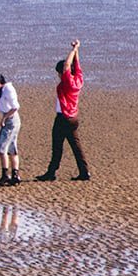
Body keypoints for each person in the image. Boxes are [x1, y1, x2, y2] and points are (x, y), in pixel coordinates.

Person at [37, 38, 91, 181]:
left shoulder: (68, 81)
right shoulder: (78, 79)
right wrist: (77, 49)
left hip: (63, 117)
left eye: (59, 73)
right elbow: (75, 64)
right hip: (73, 118)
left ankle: (51, 173)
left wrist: (73, 50)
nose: (59, 75)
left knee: (57, 146)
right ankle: (84, 172)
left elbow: (67, 65)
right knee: (76, 147)